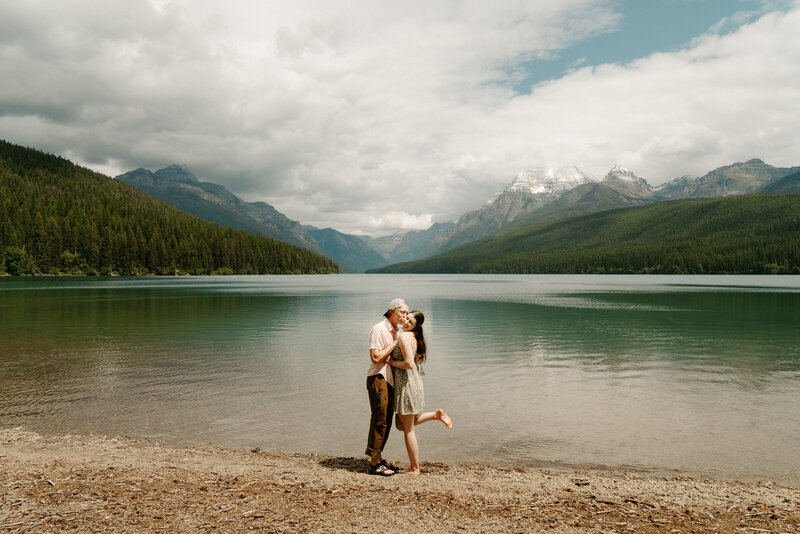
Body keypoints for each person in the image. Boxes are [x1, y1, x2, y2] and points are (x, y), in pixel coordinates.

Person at [388, 309, 452, 476]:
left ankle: (415, 468)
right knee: (400, 425)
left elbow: (409, 363)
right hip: (412, 384)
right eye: (406, 318)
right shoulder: (413, 337)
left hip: (407, 386)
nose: (406, 321)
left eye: (410, 321)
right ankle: (435, 415)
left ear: (416, 325)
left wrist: (392, 361)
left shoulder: (404, 336)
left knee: (408, 429)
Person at [365, 298, 408, 476]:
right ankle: (374, 463)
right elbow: (375, 358)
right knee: (380, 419)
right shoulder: (379, 329)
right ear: (391, 311)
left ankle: (379, 456)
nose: (404, 316)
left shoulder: (398, 331)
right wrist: (395, 343)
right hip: (378, 377)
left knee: (387, 420)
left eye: (406, 313)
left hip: (390, 380)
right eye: (402, 313)